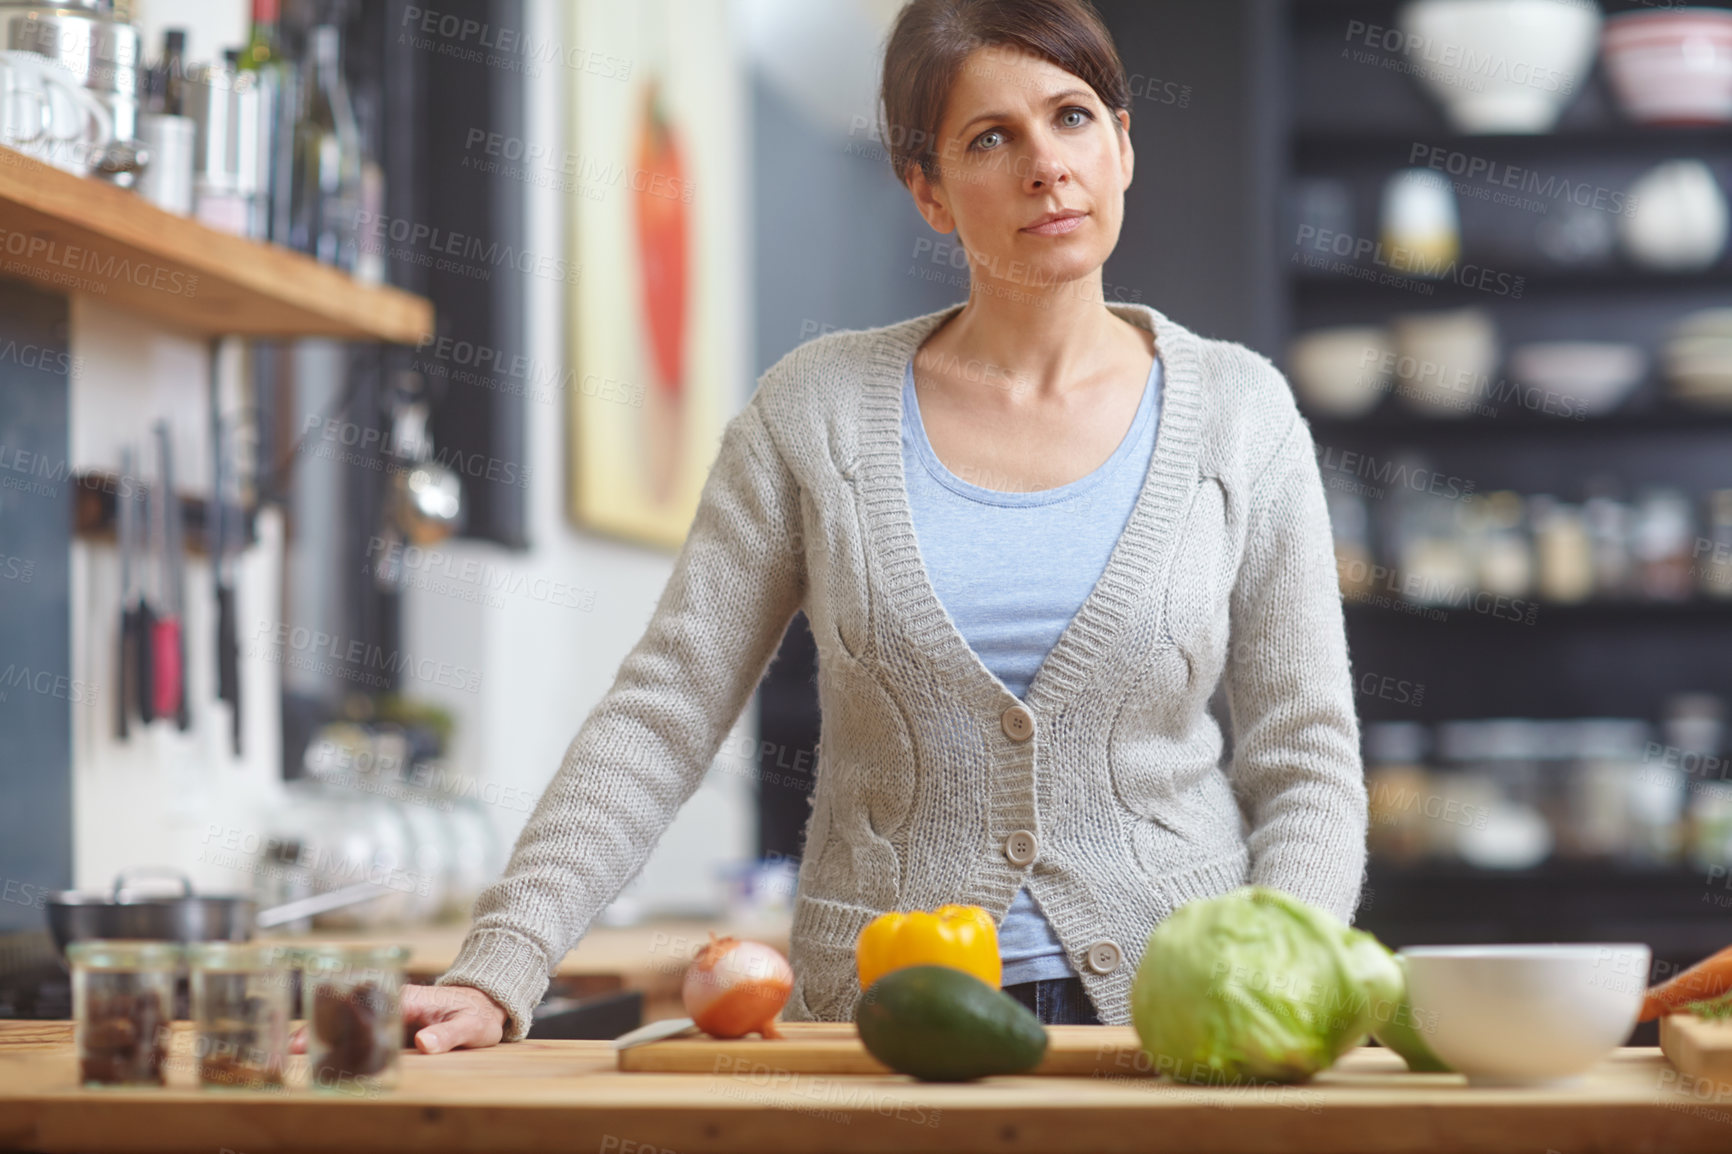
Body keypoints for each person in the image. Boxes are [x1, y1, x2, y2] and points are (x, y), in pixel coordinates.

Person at [390, 0, 1366, 1053]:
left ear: (1123, 146)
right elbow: (662, 710)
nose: (1045, 164)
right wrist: (503, 960)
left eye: (1072, 117)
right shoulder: (811, 408)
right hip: (877, 1032)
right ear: (929, 192)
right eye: (989, 138)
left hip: (1181, 1023)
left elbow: (1304, 754)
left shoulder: (1240, 411)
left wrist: (1285, 979)